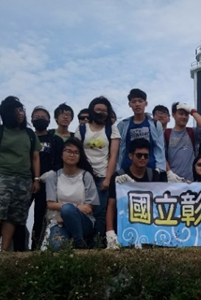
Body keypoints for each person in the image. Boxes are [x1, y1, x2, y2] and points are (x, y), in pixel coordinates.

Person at [0, 96, 41, 251]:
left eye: (21, 110)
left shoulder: (30, 134)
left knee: (13, 217)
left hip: (24, 179)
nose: (20, 113)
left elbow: (35, 157)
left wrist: (36, 179)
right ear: (7, 113)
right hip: (1, 176)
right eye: (16, 110)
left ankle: (4, 251)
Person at [74, 96, 121, 242]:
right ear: (91, 111)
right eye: (98, 110)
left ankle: (98, 243)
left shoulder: (111, 129)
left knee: (100, 212)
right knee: (82, 209)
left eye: (104, 110)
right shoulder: (82, 129)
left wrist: (108, 178)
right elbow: (76, 152)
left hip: (102, 176)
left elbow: (113, 156)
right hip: (83, 176)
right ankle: (82, 242)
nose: (101, 113)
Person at [108, 138, 167, 248]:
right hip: (124, 225)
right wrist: (110, 232)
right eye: (139, 155)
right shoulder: (118, 176)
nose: (143, 158)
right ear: (131, 156)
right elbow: (111, 205)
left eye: (146, 156)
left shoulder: (154, 175)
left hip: (148, 226)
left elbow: (158, 204)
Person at [45, 138, 100, 251]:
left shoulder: (86, 176)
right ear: (61, 154)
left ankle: (79, 243)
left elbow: (89, 207)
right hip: (59, 221)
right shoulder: (53, 176)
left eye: (76, 152)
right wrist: (76, 207)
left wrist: (69, 212)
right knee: (57, 248)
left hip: (83, 222)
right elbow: (50, 204)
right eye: (68, 151)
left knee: (67, 209)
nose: (72, 155)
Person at [116, 89, 166, 173]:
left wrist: (160, 169)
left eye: (140, 101)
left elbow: (159, 148)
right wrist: (117, 169)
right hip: (127, 169)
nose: (137, 104)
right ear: (129, 104)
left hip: (150, 169)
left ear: (145, 103)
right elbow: (119, 149)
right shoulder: (122, 125)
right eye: (134, 102)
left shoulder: (155, 124)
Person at [30, 105, 55, 249]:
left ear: (49, 120)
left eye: (43, 117)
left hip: (46, 181)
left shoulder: (52, 138)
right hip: (27, 179)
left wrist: (51, 172)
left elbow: (58, 158)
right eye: (37, 117)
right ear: (32, 120)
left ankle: (35, 248)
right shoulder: (27, 136)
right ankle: (18, 247)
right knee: (19, 216)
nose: (40, 119)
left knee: (40, 217)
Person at [164, 102, 201, 182]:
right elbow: (162, 155)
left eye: (186, 115)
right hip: (173, 180)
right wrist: (169, 172)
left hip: (191, 181)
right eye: (181, 114)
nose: (184, 117)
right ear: (173, 114)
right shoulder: (166, 133)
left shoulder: (192, 132)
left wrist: (191, 111)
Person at [50, 103, 75, 171]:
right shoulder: (50, 135)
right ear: (56, 117)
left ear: (71, 119)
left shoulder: (75, 137)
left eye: (68, 115)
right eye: (62, 114)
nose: (65, 117)